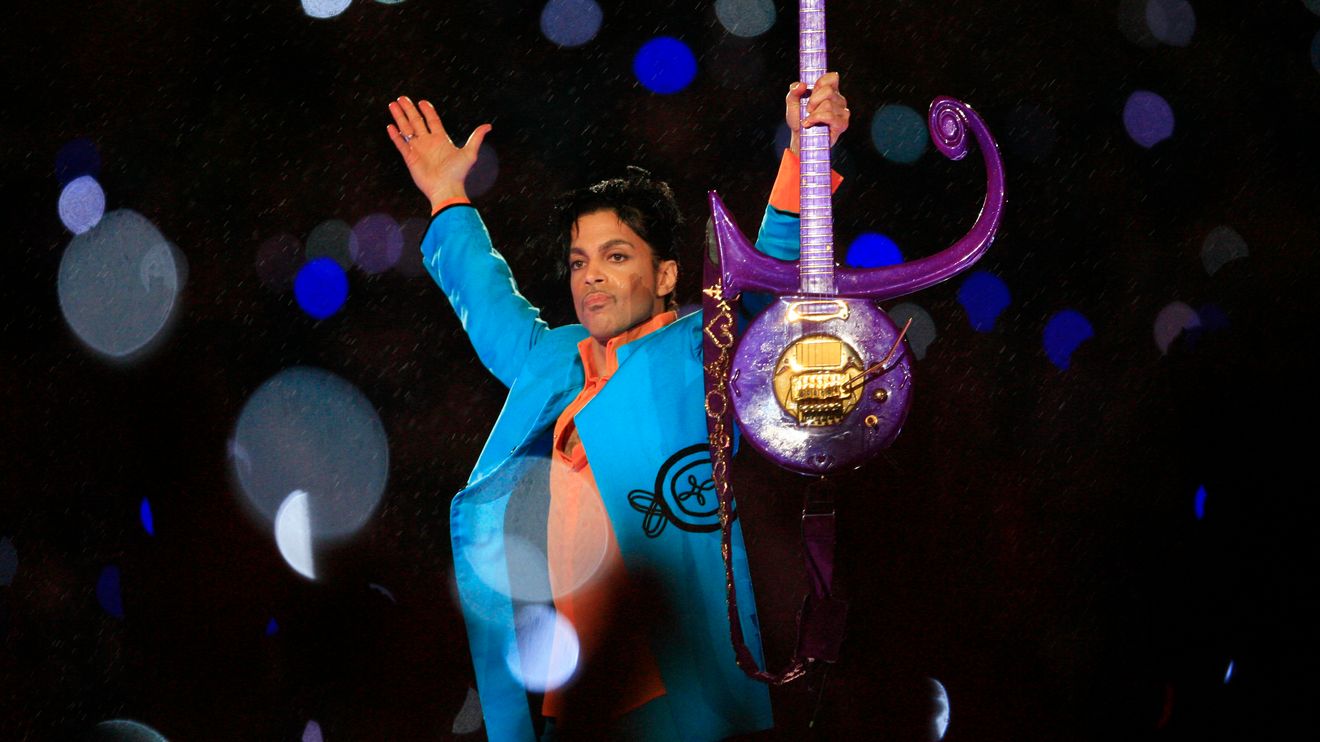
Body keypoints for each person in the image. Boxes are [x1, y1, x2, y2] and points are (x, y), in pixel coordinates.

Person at [386, 74, 849, 741]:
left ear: (665, 275)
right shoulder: (558, 360)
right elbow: (489, 303)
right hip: (577, 699)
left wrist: (806, 157)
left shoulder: (700, 348)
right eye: (579, 262)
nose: (592, 275)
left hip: (677, 687)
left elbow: (769, 281)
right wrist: (446, 196)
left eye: (617, 255)